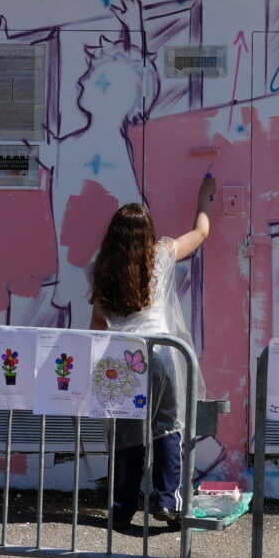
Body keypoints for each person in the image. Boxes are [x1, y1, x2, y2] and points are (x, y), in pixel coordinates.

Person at [87, 175, 215, 536]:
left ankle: (122, 507)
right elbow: (201, 232)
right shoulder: (161, 256)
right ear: (148, 235)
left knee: (127, 435)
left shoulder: (101, 270)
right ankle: (165, 500)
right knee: (167, 427)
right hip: (160, 354)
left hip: (119, 359)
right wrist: (205, 197)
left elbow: (97, 323)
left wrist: (94, 368)